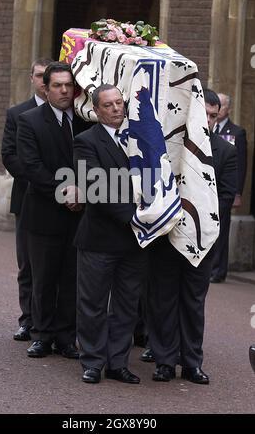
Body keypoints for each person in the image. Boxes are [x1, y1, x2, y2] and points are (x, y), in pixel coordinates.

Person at [146, 88, 237, 384]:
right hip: (168, 237)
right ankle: (163, 361)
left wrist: (197, 222)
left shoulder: (226, 151)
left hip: (202, 239)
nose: (209, 121)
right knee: (164, 300)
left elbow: (224, 198)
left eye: (214, 116)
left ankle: (191, 362)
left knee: (194, 302)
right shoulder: (172, 147)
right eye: (204, 115)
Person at [73, 84, 148, 384]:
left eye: (119, 103)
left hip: (135, 241)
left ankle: (118, 363)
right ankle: (92, 362)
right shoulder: (85, 141)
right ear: (96, 110)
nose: (116, 108)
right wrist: (134, 216)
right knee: (92, 303)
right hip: (100, 238)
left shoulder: (141, 140)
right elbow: (95, 186)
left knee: (127, 305)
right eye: (109, 105)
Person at [17, 61, 92, 358]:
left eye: (69, 85)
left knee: (71, 277)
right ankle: (42, 334)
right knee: (44, 278)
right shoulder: (29, 121)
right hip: (45, 212)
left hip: (80, 214)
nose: (64, 90)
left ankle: (65, 336)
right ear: (46, 89)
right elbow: (31, 166)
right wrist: (64, 192)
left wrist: (84, 193)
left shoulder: (87, 121)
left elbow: (95, 163)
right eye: (58, 85)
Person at [1, 57, 53, 341]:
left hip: (61, 202)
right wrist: (40, 182)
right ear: (32, 79)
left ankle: (54, 319)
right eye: (39, 76)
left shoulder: (71, 114)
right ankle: (28, 319)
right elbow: (10, 155)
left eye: (49, 76)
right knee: (28, 264)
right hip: (29, 198)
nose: (44, 82)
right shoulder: (17, 114)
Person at [210, 93, 247, 283]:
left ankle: (219, 270)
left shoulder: (237, 132)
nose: (219, 108)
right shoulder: (207, 130)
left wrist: (237, 193)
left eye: (222, 106)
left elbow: (240, 165)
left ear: (228, 109)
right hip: (209, 189)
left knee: (222, 231)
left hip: (225, 192)